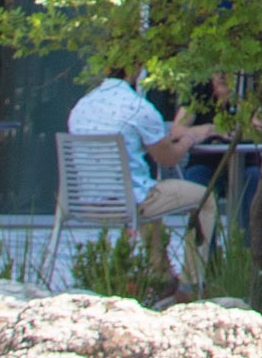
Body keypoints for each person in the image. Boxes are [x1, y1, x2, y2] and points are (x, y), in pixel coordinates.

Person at [68, 70, 219, 271]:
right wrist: (188, 139)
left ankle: (162, 275)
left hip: (85, 202)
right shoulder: (138, 107)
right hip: (130, 202)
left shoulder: (81, 107)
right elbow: (168, 159)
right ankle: (191, 283)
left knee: (149, 195)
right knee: (204, 198)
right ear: (137, 69)